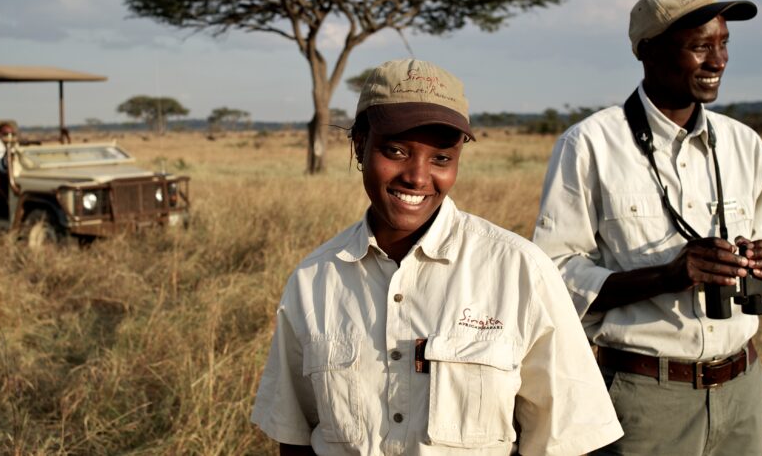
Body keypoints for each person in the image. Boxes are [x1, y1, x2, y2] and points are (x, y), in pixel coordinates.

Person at [252, 58, 623, 455]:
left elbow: (567, 438)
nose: (416, 176)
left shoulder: (520, 270)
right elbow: (293, 437)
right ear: (360, 145)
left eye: (441, 159)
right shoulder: (314, 280)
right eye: (395, 151)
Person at [533, 0, 762, 455]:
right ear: (648, 52)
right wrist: (666, 277)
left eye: (724, 43)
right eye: (699, 47)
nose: (718, 61)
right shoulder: (589, 145)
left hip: (743, 389)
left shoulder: (744, 145)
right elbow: (554, 276)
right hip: (645, 396)